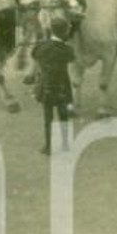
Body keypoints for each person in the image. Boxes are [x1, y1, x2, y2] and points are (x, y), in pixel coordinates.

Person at [32, 12, 75, 156]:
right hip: (62, 86)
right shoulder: (67, 50)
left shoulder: (41, 47)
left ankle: (48, 146)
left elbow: (34, 54)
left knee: (48, 118)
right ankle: (65, 144)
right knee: (63, 116)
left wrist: (45, 41)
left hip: (46, 86)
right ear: (64, 32)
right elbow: (72, 58)